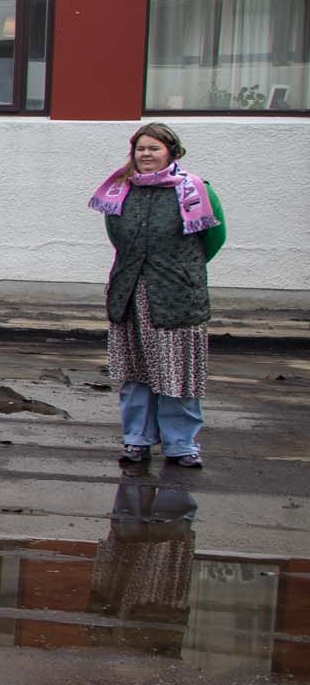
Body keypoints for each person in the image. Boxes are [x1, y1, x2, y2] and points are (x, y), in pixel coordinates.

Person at [91, 121, 223, 470]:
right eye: (140, 149)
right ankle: (137, 440)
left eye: (154, 148)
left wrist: (179, 270)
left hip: (177, 294)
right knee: (136, 371)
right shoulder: (121, 191)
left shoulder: (195, 189)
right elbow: (117, 237)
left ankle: (181, 444)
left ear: (171, 152)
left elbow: (213, 238)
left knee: (177, 372)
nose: (146, 154)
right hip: (132, 293)